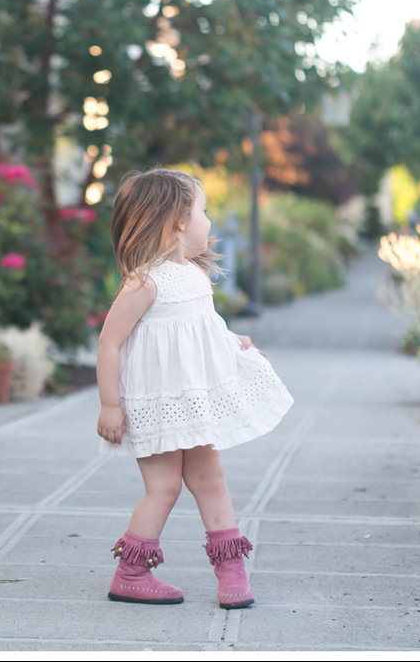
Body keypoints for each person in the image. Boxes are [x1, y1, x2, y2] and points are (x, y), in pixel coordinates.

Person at [96, 167, 294, 609]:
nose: (209, 221)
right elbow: (110, 342)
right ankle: (130, 573)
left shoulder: (194, 275)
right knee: (163, 487)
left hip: (195, 400)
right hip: (159, 403)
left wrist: (234, 345)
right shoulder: (145, 281)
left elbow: (201, 332)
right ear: (179, 222)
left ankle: (231, 571)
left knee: (210, 477)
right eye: (204, 211)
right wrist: (111, 405)